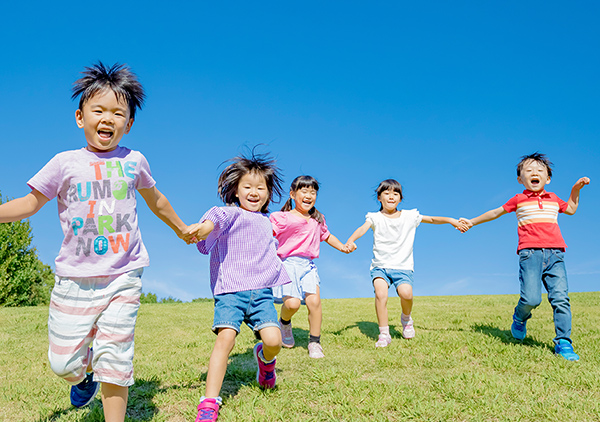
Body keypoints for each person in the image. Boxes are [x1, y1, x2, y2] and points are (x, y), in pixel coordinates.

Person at [0, 62, 191, 421]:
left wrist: (181, 229)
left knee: (114, 357)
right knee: (62, 363)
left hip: (124, 274)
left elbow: (157, 200)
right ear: (80, 117)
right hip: (74, 279)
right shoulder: (64, 163)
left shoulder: (134, 161)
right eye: (99, 110)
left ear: (129, 124)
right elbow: (29, 204)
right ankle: (82, 376)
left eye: (118, 113)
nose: (108, 119)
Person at [185, 152, 291, 422]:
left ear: (268, 194)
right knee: (226, 339)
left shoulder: (269, 222)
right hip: (230, 291)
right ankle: (209, 402)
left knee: (273, 341)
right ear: (235, 189)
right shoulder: (230, 214)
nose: (254, 192)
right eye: (247, 186)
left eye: (261, 188)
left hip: (261, 293)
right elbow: (214, 218)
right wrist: (203, 228)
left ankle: (265, 361)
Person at [460, 152, 590, 361]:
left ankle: (563, 342)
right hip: (530, 254)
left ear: (548, 178)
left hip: (556, 253)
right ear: (520, 179)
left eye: (540, 170)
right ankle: (520, 317)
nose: (534, 173)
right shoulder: (519, 200)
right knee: (532, 298)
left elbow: (572, 209)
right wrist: (472, 222)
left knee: (561, 299)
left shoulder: (554, 199)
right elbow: (495, 212)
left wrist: (575, 189)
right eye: (528, 171)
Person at [345, 179, 466, 347]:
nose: (391, 196)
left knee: (406, 294)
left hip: (403, 266)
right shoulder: (374, 217)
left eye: (395, 193)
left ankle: (406, 319)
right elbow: (362, 229)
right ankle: (384, 333)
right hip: (380, 266)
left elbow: (431, 219)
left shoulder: (410, 216)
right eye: (386, 193)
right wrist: (351, 240)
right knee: (381, 294)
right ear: (379, 197)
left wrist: (451, 220)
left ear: (400, 199)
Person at [270, 175, 349, 359]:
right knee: (292, 304)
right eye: (304, 191)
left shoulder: (317, 218)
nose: (308, 195)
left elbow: (327, 236)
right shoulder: (281, 217)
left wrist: (343, 247)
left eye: (313, 192)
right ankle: (284, 322)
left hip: (308, 265)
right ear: (292, 194)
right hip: (287, 264)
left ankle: (314, 342)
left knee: (314, 302)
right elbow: (265, 234)